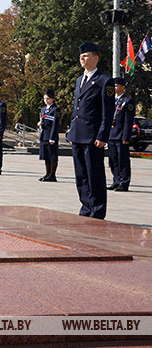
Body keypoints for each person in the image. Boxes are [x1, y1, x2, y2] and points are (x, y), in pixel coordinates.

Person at [66, 42, 115, 219]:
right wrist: (72, 131)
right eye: (81, 56)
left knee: (95, 175)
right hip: (78, 135)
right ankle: (86, 207)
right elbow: (76, 109)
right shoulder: (80, 79)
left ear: (96, 58)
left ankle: (97, 210)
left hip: (93, 137)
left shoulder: (105, 81)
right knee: (81, 175)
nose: (82, 58)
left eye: (86, 55)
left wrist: (103, 136)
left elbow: (107, 112)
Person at [108, 77, 134, 192]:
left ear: (123, 87)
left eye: (116, 86)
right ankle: (116, 180)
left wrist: (126, 137)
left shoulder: (127, 101)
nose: (114, 88)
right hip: (111, 134)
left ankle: (124, 182)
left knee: (122, 160)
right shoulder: (110, 100)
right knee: (112, 159)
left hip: (120, 135)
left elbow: (128, 121)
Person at [37, 89, 60, 182]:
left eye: (48, 99)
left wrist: (52, 137)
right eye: (45, 99)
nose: (46, 101)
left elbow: (55, 124)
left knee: (52, 156)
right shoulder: (43, 109)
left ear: (53, 99)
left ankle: (52, 174)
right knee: (46, 156)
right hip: (44, 135)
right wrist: (40, 123)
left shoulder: (55, 109)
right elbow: (43, 119)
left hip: (51, 135)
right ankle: (47, 174)